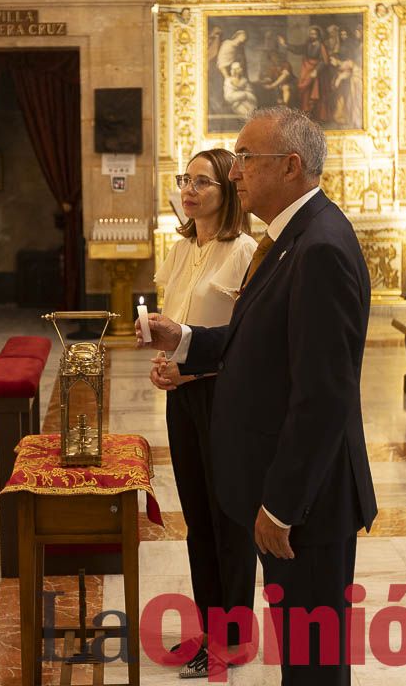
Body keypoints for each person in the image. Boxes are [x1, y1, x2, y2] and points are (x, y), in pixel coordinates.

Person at [142, 106, 376, 685]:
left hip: (308, 504)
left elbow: (323, 396)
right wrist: (187, 338)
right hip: (286, 488)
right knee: (301, 652)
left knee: (315, 660)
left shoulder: (319, 246)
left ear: (290, 165)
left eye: (247, 157)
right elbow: (257, 343)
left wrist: (281, 506)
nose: (236, 170)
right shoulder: (288, 236)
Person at [149, 148, 258, 678]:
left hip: (225, 398)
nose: (189, 191)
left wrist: (188, 369)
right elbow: (174, 323)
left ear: (227, 191)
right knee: (196, 520)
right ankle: (211, 629)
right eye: (184, 180)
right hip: (183, 396)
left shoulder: (244, 251)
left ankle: (235, 639)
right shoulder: (179, 249)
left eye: (202, 182)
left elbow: (246, 344)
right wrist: (165, 364)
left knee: (228, 520)